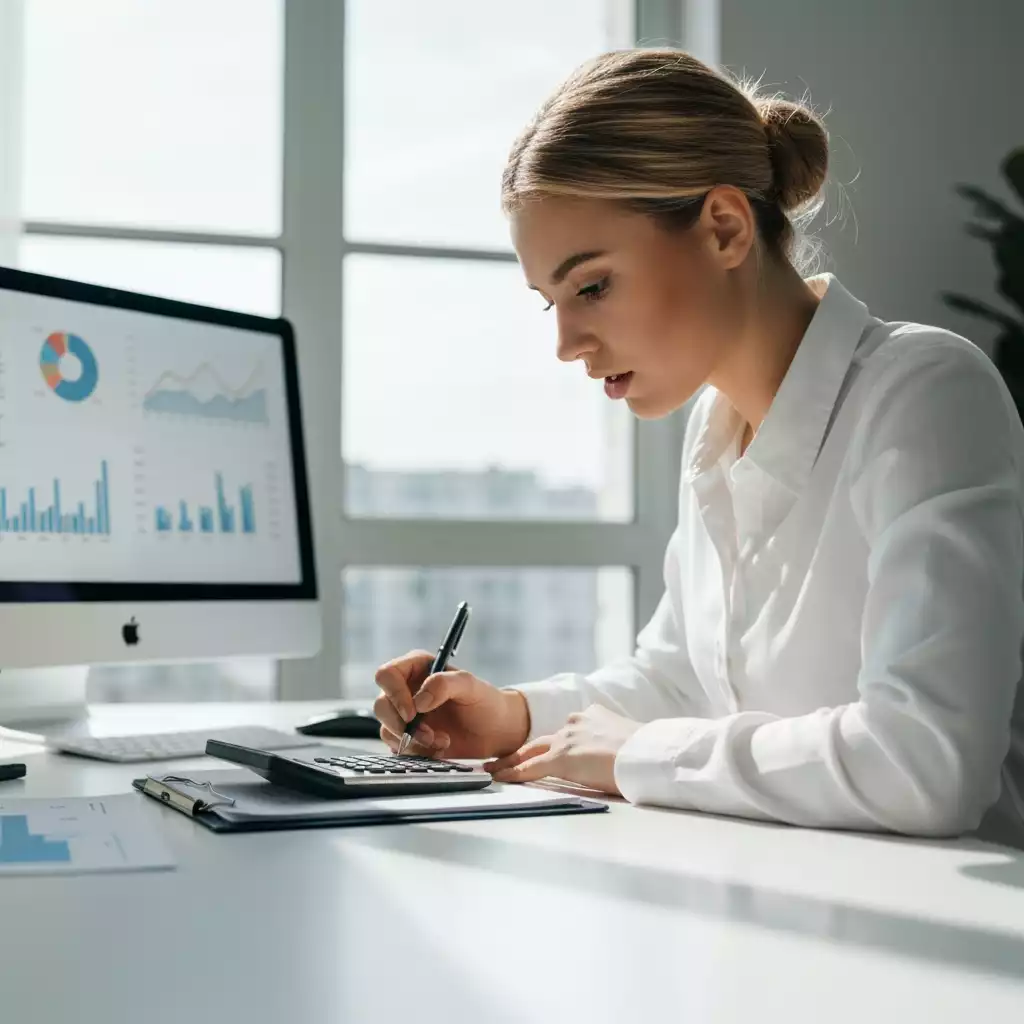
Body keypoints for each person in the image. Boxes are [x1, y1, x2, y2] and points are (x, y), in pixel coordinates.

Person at [373, 48, 1024, 847]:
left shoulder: (924, 392)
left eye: (593, 286)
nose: (568, 344)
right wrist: (512, 717)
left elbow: (925, 763)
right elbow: (683, 678)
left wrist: (637, 755)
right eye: (552, 303)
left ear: (724, 228)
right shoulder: (714, 431)